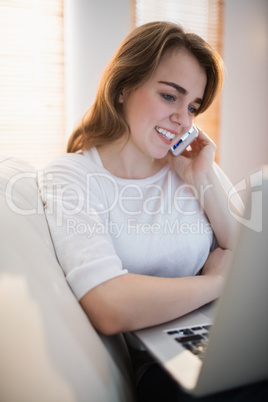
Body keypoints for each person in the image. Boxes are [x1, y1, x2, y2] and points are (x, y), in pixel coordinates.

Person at [38, 21, 266, 401]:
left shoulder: (191, 165)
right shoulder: (72, 176)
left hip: (229, 331)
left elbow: (250, 264)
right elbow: (108, 303)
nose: (184, 119)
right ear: (123, 87)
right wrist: (216, 283)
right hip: (160, 364)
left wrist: (203, 175)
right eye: (169, 96)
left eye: (193, 106)